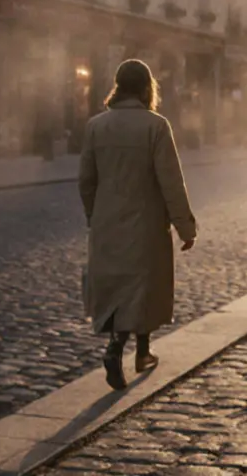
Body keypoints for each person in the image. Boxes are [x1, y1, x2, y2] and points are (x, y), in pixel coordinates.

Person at [79, 59, 198, 390]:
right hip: (145, 225)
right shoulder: (156, 126)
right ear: (148, 88)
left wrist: (94, 215)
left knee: (119, 287)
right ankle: (128, 351)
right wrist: (185, 228)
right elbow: (171, 183)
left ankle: (129, 350)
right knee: (143, 288)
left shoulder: (95, 126)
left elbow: (86, 181)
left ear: (117, 87)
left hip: (107, 224)